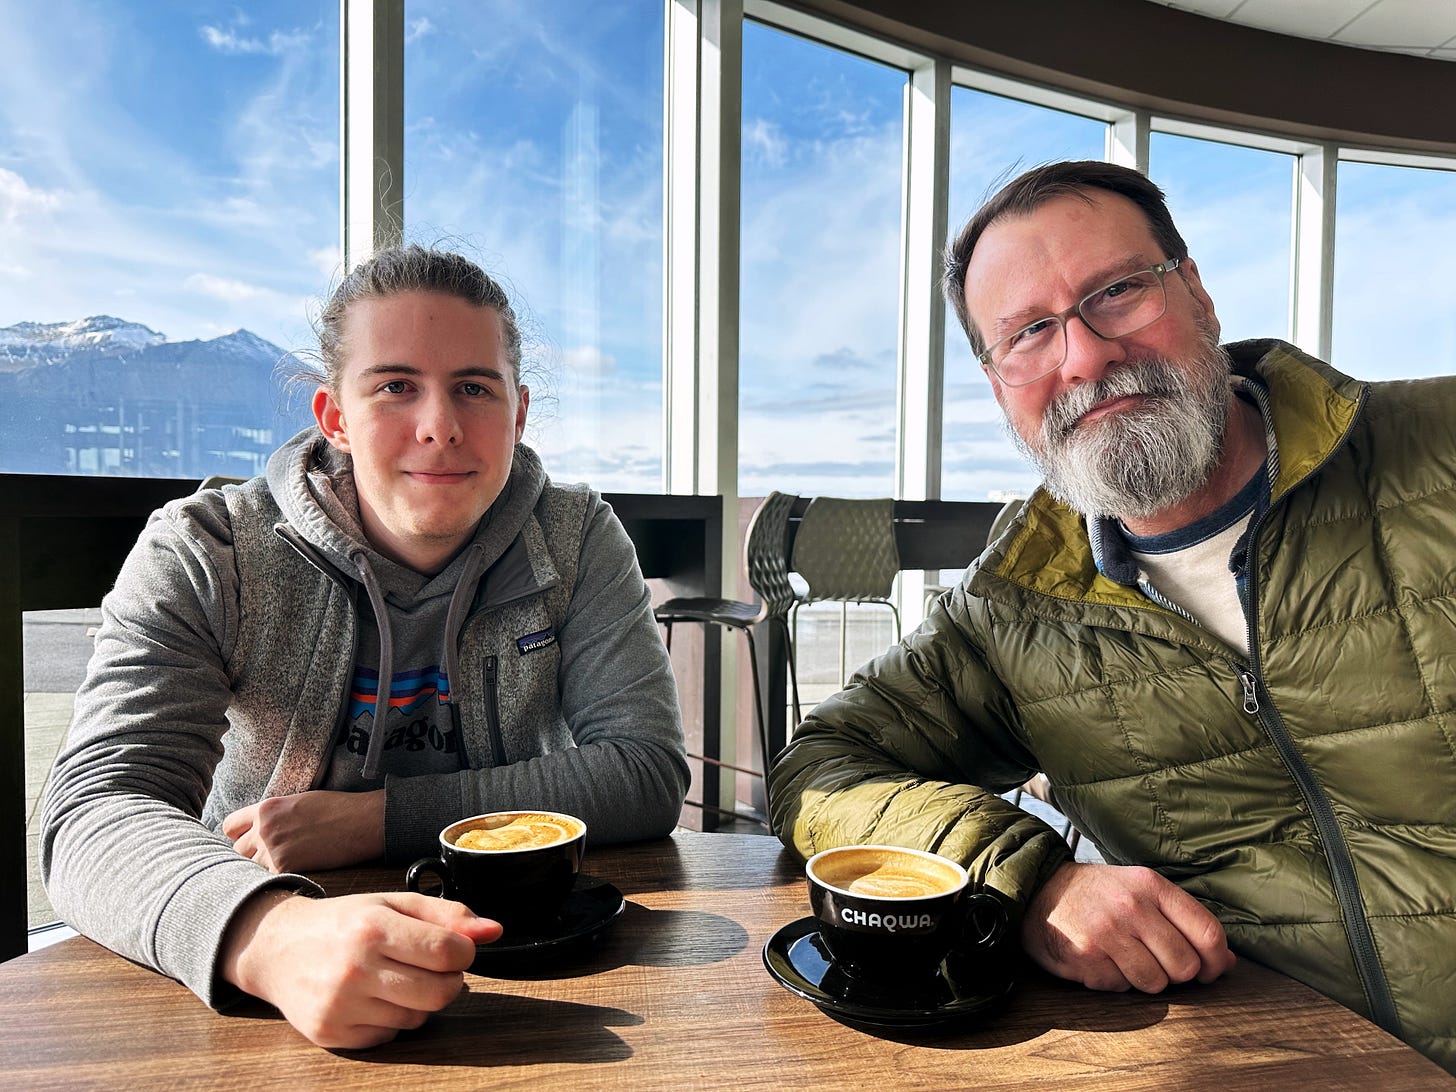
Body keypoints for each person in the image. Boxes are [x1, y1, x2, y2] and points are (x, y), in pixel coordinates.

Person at [768, 160, 1456, 1073]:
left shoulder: (1436, 456)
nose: (1084, 356)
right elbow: (818, 769)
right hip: (1264, 1059)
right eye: (1029, 332)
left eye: (1118, 292)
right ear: (995, 380)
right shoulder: (1012, 605)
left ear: (1198, 293)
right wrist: (1031, 878)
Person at [41, 245, 689, 1049]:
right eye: (394, 386)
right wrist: (269, 935)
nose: (439, 426)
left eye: (474, 389)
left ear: (518, 413)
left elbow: (644, 770)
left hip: (532, 966)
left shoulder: (578, 536)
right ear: (335, 417)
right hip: (264, 969)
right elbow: (94, 813)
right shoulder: (206, 551)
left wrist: (374, 822)